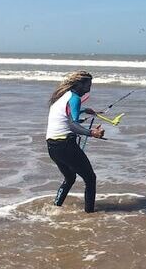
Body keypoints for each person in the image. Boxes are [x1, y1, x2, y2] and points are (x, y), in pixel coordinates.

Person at [46, 70, 105, 212]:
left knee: (70, 178)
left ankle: (55, 208)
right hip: (66, 146)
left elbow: (66, 115)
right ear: (80, 84)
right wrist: (92, 133)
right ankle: (90, 214)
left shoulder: (62, 97)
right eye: (88, 84)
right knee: (90, 178)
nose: (90, 88)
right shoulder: (75, 99)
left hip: (52, 147)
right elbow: (73, 125)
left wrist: (84, 110)